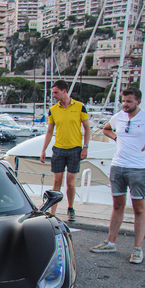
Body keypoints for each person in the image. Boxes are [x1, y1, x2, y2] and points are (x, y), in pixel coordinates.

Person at [90, 87, 145, 264]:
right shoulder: (119, 116)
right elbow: (106, 129)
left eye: (129, 101)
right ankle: (110, 242)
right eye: (124, 101)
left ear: (138, 102)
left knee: (139, 208)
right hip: (118, 166)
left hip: (138, 168)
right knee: (117, 206)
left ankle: (137, 249)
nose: (125, 104)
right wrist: (115, 138)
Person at [40, 80, 91, 222]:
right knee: (57, 182)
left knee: (70, 182)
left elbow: (87, 128)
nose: (54, 95)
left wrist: (85, 147)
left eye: (56, 92)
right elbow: (50, 131)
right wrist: (43, 150)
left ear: (64, 91)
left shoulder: (80, 107)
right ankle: (52, 212)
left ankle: (70, 208)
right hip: (59, 149)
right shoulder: (53, 110)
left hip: (75, 149)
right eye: (53, 93)